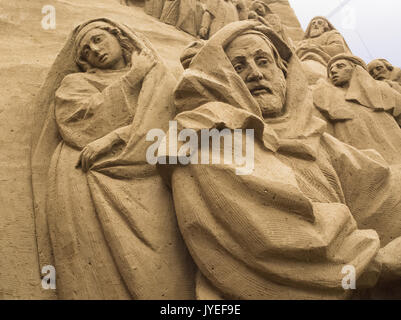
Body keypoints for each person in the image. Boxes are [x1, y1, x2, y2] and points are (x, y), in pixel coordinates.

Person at [157, 20, 401, 299]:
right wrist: (377, 262)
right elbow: (272, 232)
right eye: (239, 67)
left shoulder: (314, 137)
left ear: (285, 72)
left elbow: (380, 189)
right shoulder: (207, 135)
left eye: (263, 61)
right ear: (220, 76)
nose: (255, 74)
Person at [30, 18, 195, 299]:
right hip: (94, 179)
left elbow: (171, 121)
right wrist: (132, 80)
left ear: (118, 36)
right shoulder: (75, 83)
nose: (93, 50)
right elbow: (79, 123)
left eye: (98, 39)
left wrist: (117, 136)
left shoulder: (157, 75)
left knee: (167, 259)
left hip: (153, 174)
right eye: (84, 52)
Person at [313, 54, 401, 166]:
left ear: (355, 69)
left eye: (340, 66)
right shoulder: (327, 96)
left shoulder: (382, 89)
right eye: (331, 70)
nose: (333, 71)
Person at [296, 16, 350, 84]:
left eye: (319, 23)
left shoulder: (331, 34)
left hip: (320, 63)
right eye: (313, 23)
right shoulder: (302, 42)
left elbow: (338, 49)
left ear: (325, 27)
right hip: (297, 64)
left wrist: (314, 48)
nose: (316, 24)